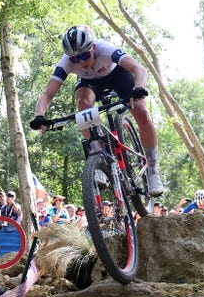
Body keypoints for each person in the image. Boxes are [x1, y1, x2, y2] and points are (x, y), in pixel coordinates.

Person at [29, 25, 163, 197]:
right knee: (83, 103)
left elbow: (139, 69)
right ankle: (97, 150)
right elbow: (47, 94)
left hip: (117, 75)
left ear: (92, 48)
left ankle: (152, 169)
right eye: (75, 59)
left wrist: (139, 88)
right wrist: (39, 116)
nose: (81, 62)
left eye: (84, 55)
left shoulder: (106, 49)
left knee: (141, 111)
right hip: (90, 83)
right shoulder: (66, 63)